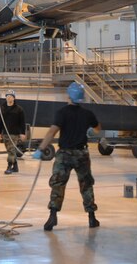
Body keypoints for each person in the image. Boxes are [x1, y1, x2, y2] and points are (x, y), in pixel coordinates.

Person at [33, 82, 101, 231]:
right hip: (82, 154)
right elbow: (97, 129)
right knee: (86, 185)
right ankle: (92, 218)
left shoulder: (62, 113)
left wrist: (40, 149)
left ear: (69, 96)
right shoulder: (88, 114)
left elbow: (52, 132)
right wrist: (90, 130)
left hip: (64, 155)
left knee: (58, 184)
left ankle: (52, 216)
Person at [0, 90, 26, 175]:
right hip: (5, 133)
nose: (9, 97)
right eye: (7, 95)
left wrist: (22, 133)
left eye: (11, 96)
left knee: (11, 151)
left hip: (14, 134)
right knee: (10, 151)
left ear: (14, 98)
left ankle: (9, 167)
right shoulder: (2, 108)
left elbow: (22, 122)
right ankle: (15, 167)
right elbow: (0, 122)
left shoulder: (19, 109)